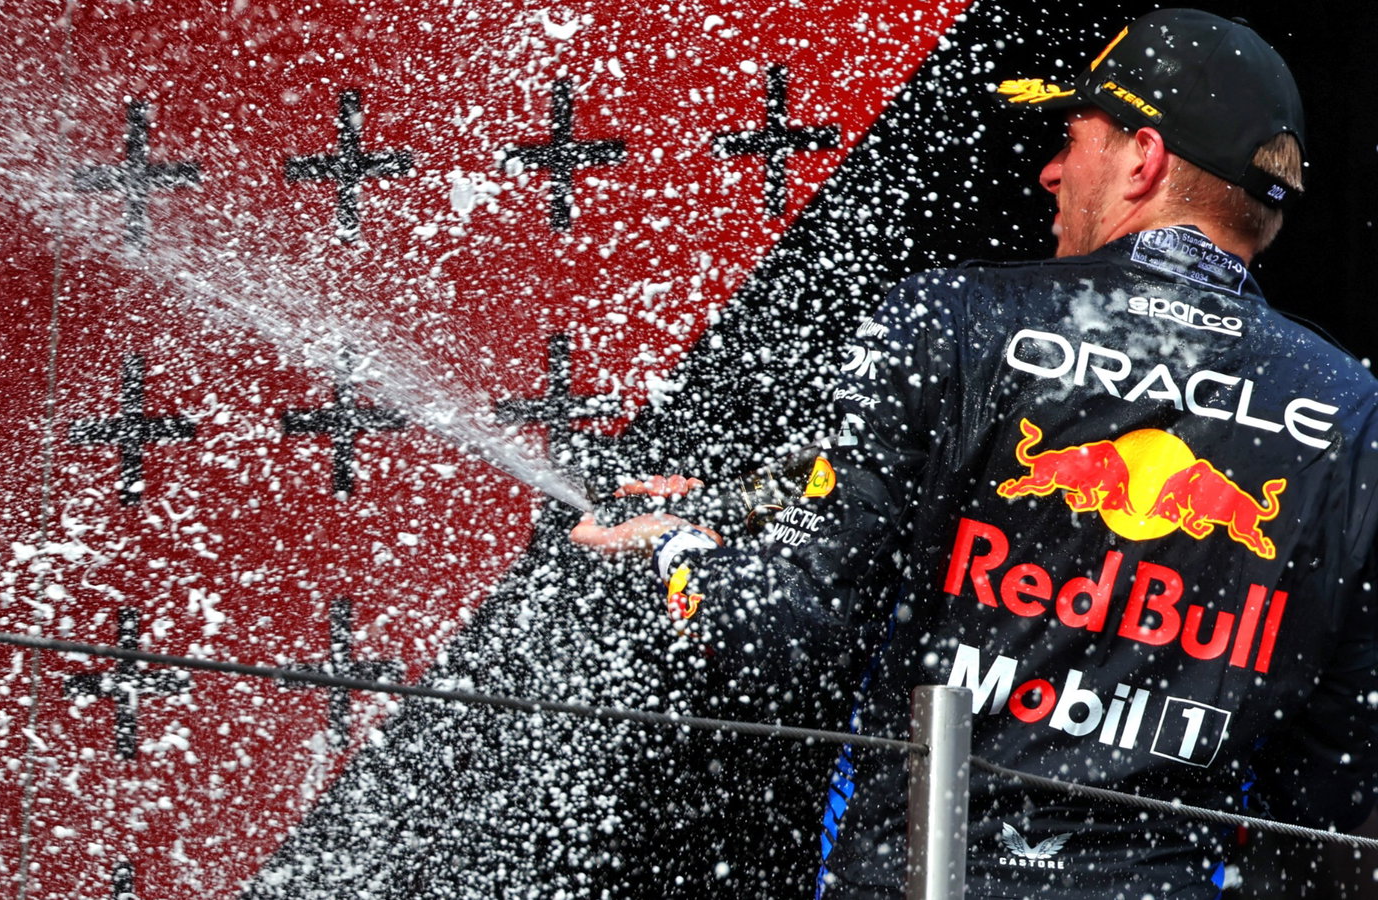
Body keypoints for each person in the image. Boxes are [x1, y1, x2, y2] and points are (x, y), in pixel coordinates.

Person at [572, 9, 1378, 898]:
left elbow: (787, 632)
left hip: (928, 873)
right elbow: (1336, 766)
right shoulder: (1352, 409)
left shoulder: (954, 321)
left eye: (1075, 137)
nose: (1051, 171)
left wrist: (674, 550)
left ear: (1142, 159)